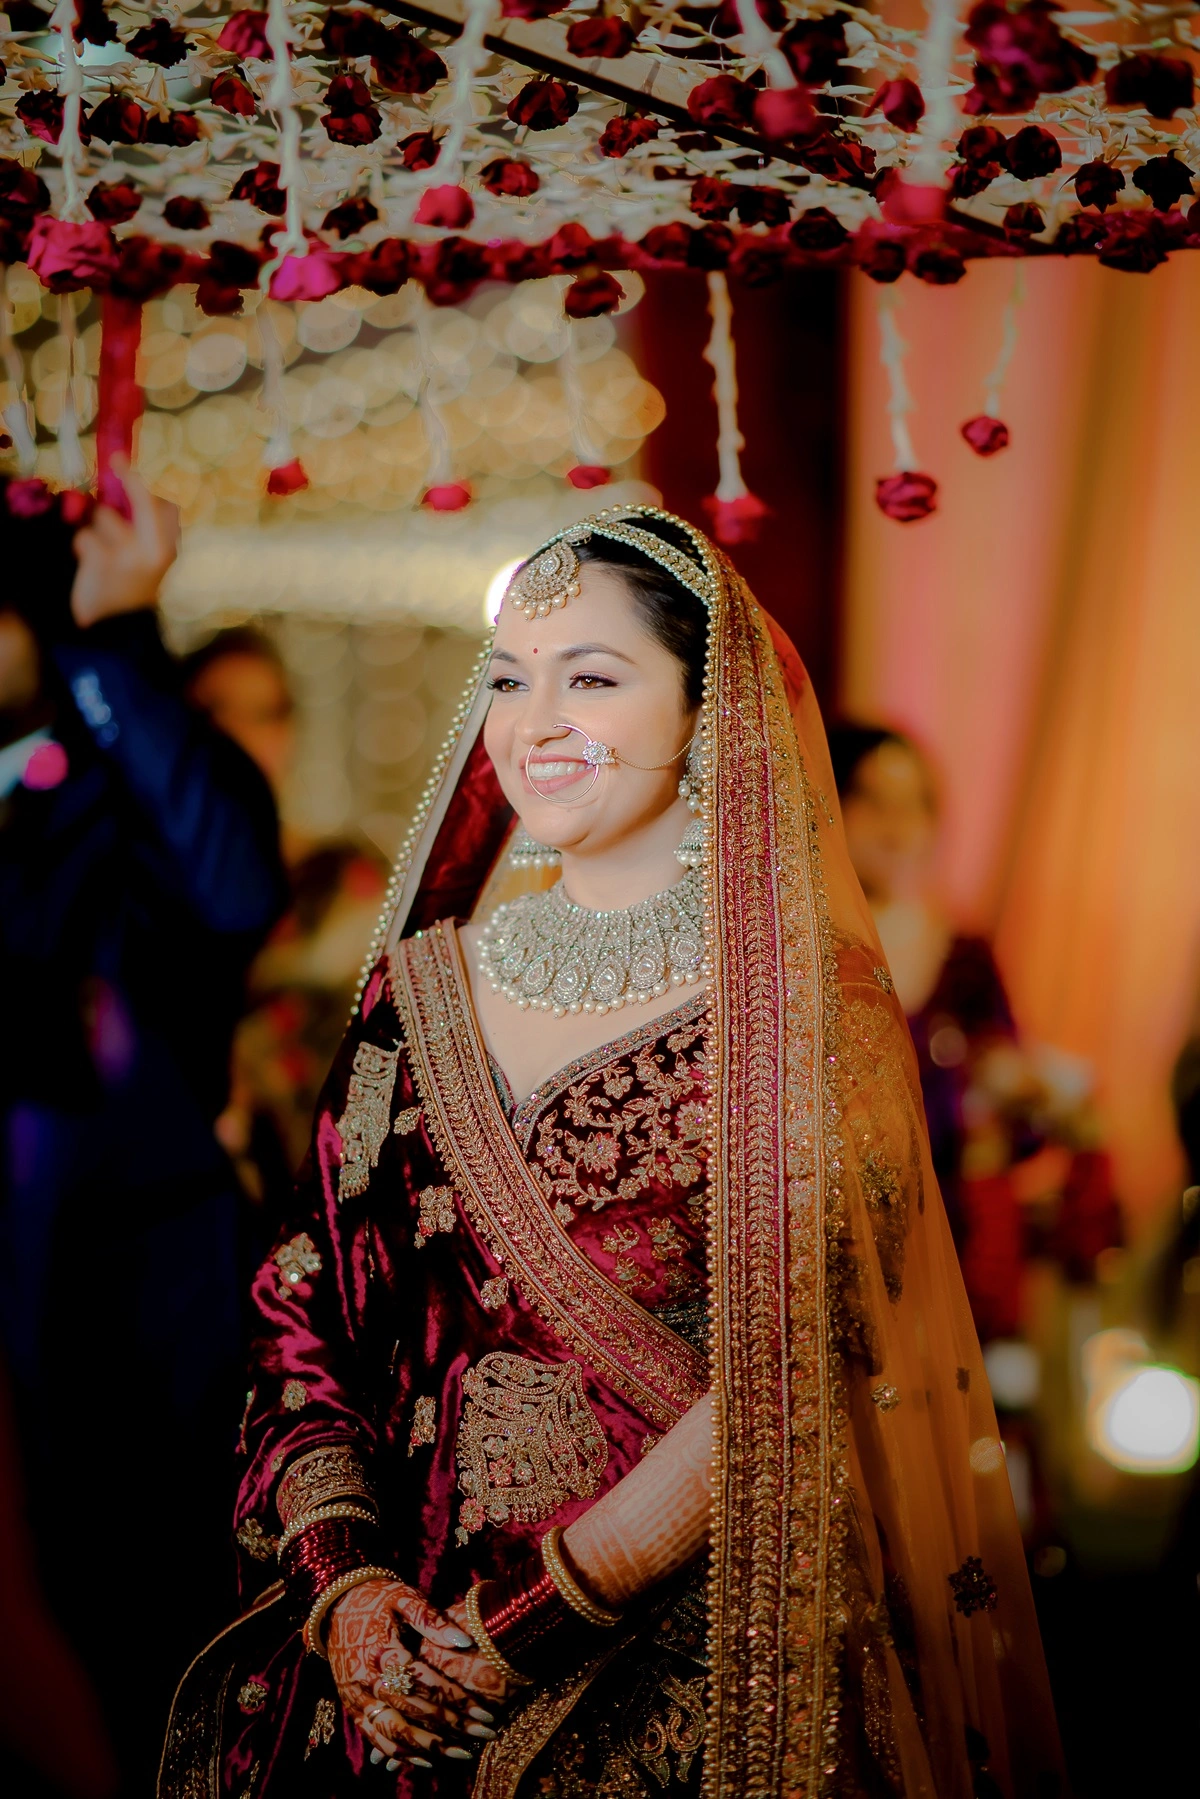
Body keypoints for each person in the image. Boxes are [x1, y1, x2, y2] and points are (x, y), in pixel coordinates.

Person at [163, 508, 1063, 1798]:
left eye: (590, 677)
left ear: (705, 711)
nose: (533, 722)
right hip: (402, 1673)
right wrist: (349, 1591)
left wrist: (526, 1624)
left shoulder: (807, 1010)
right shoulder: (416, 993)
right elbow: (304, 1304)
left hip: (705, 1667)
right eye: (508, 679)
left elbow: (796, 1368)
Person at [0, 462, 288, 1795]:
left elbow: (231, 883)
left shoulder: (145, 800)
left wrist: (111, 628)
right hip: (24, 1296)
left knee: (154, 1646)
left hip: (136, 1301)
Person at [827, 724, 1120, 1347]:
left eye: (915, 805)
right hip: (831, 1238)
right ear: (829, 802)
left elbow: (1005, 1082)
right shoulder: (802, 946)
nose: (897, 825)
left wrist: (1024, 1087)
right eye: (874, 800)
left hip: (946, 1236)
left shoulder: (964, 957)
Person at [181, 629, 387, 1225]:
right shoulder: (134, 891)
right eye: (216, 711)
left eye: (266, 713)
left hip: (314, 1200)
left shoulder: (344, 885)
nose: (242, 734)